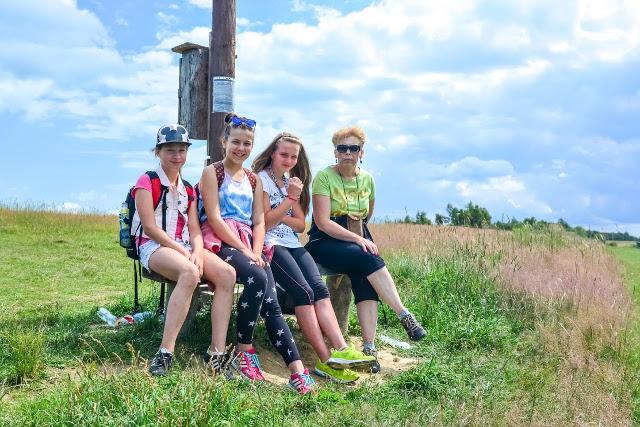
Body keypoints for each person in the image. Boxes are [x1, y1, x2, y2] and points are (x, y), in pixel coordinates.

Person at [198, 114, 315, 394]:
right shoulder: (213, 173)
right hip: (219, 241)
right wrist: (245, 250)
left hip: (249, 242)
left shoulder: (252, 179)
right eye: (236, 142)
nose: (241, 148)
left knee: (271, 300)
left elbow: (259, 221)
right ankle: (243, 350)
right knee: (257, 276)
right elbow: (214, 218)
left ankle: (297, 371)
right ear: (224, 142)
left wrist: (255, 249)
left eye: (247, 143)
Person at [252, 132, 376, 383]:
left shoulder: (289, 182)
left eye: (293, 157)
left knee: (319, 289)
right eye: (284, 154)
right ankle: (325, 361)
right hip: (270, 244)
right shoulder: (261, 180)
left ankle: (341, 350)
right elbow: (264, 222)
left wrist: (284, 208)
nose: (289, 160)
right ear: (273, 153)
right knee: (304, 293)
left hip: (292, 243)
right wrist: (289, 200)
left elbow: (300, 225)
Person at [305, 125, 427, 372]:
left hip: (356, 238)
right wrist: (357, 239)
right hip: (325, 241)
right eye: (342, 148)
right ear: (335, 152)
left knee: (365, 276)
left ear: (362, 152)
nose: (348, 153)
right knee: (365, 255)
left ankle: (369, 348)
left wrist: (359, 238)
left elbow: (367, 215)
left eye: (353, 148)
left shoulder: (368, 179)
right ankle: (403, 314)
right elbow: (323, 222)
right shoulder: (324, 177)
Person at [131, 124, 236, 377]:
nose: (177, 155)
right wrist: (183, 251)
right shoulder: (147, 181)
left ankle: (216, 353)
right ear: (158, 152)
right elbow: (149, 227)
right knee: (190, 272)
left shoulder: (188, 188)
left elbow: (194, 228)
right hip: (152, 245)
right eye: (170, 150)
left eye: (182, 150)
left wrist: (197, 251)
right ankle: (165, 352)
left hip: (184, 245)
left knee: (227, 274)